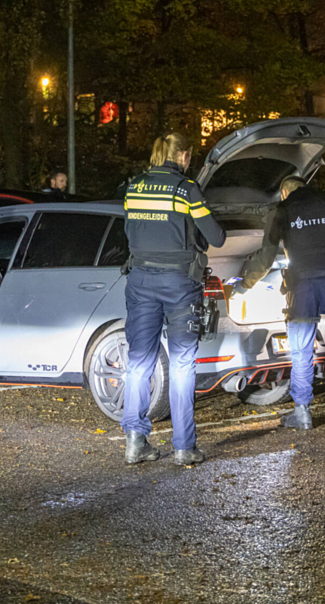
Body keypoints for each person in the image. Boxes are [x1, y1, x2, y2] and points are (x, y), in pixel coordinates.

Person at [233, 176, 325, 431]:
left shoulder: (282, 209)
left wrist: (244, 284)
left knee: (301, 351)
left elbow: (267, 255)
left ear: (284, 192)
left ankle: (302, 413)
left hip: (300, 287)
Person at [121, 132, 227, 466]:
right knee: (182, 364)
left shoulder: (134, 187)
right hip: (179, 283)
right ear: (183, 155)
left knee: (139, 362)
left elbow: (130, 231)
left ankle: (135, 442)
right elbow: (217, 237)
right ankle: (183, 447)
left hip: (140, 280)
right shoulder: (186, 189)